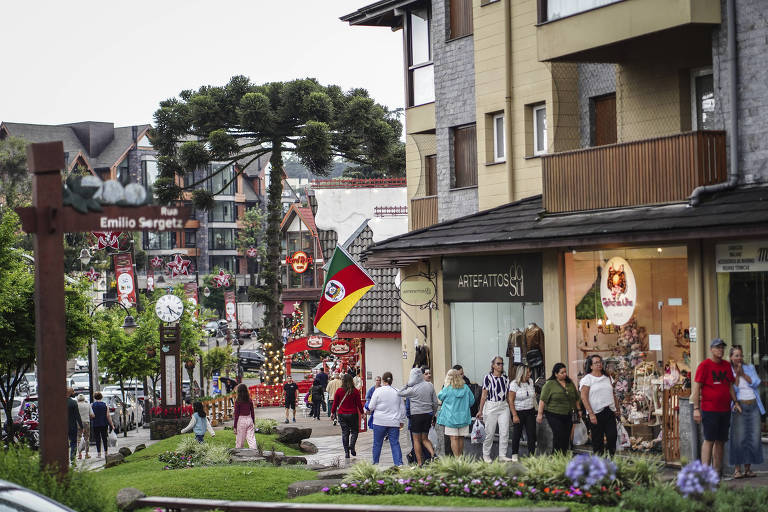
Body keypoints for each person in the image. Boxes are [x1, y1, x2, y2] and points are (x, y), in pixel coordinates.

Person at [691, 338, 741, 474]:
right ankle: (705, 473)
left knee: (721, 441)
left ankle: (717, 473)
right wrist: (696, 409)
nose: (721, 350)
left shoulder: (726, 365)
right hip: (709, 409)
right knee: (709, 440)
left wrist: (735, 402)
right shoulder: (704, 365)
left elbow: (730, 386)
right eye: (718, 347)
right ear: (711, 349)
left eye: (722, 347)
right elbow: (696, 389)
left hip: (725, 410)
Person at [728, 345, 761, 478]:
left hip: (753, 404)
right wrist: (737, 375)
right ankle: (737, 470)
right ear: (731, 357)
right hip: (739, 404)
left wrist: (743, 374)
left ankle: (748, 469)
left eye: (740, 355)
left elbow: (756, 382)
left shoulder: (750, 367)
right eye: (736, 355)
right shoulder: (729, 370)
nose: (739, 358)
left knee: (752, 437)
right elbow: (733, 390)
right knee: (739, 438)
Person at [579, 355, 620, 456]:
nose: (599, 364)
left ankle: (612, 459)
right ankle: (598, 463)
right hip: (596, 413)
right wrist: (591, 414)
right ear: (591, 366)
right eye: (596, 363)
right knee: (598, 440)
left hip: (609, 410)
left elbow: (612, 393)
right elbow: (584, 397)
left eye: (600, 362)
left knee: (612, 436)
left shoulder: (607, 377)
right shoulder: (587, 379)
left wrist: (617, 409)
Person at [537, 363, 581, 454]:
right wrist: (540, 414)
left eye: (565, 372)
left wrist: (579, 410)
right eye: (562, 373)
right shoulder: (550, 384)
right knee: (559, 434)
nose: (565, 374)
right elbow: (542, 400)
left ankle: (563, 456)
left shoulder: (570, 383)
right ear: (556, 374)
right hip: (554, 414)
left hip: (568, 414)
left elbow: (576, 398)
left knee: (566, 436)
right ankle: (556, 456)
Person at [399, 367, 439, 466]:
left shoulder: (412, 389)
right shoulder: (430, 385)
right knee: (425, 438)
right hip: (428, 414)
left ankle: (420, 463)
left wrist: (407, 384)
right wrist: (433, 414)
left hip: (416, 416)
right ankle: (433, 455)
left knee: (416, 440)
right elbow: (435, 402)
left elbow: (399, 393)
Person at [476, 356, 511, 462]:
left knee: (504, 431)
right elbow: (483, 395)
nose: (500, 365)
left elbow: (508, 395)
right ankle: (486, 454)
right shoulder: (488, 377)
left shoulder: (506, 378)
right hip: (491, 405)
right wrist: (480, 410)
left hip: (503, 406)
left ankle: (502, 455)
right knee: (489, 432)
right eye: (498, 363)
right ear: (493, 365)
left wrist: (513, 410)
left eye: (502, 364)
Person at [368, 371, 406, 466]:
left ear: (383, 380)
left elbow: (371, 406)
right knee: (395, 443)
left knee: (377, 443)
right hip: (394, 422)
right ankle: (399, 464)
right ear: (391, 381)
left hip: (379, 421)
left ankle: (375, 462)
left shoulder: (378, 391)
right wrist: (401, 421)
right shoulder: (397, 392)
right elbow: (402, 408)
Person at [437, 369, 474, 457]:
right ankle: (460, 458)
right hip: (464, 417)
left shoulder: (447, 388)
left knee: (453, 438)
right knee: (461, 438)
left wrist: (446, 385)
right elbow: (472, 401)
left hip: (450, 417)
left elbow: (440, 397)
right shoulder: (466, 388)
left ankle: (456, 459)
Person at [331, 374, 365, 459]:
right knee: (354, 431)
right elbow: (359, 404)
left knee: (345, 433)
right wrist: (362, 413)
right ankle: (352, 446)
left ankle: (346, 452)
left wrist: (332, 413)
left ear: (343, 381)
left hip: (342, 414)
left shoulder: (339, 391)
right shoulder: (355, 391)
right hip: (353, 414)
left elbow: (335, 403)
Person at [509, 365, 537, 461]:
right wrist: (514, 415)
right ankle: (514, 454)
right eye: (528, 372)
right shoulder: (514, 384)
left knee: (531, 434)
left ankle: (532, 455)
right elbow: (511, 400)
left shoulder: (531, 382)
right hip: (519, 412)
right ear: (522, 373)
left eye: (530, 372)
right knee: (517, 434)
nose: (530, 374)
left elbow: (532, 395)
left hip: (530, 411)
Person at [90, 391, 115, 458]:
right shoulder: (105, 405)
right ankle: (106, 452)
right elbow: (108, 415)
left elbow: (91, 415)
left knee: (97, 438)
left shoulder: (92, 405)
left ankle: (99, 454)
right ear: (101, 397)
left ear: (94, 397)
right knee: (104, 438)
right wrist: (112, 424)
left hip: (95, 424)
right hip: (104, 423)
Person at [233, 383, 257, 449]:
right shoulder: (249, 400)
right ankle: (254, 452)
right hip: (249, 419)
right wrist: (253, 422)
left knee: (240, 440)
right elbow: (252, 412)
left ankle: (239, 454)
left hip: (241, 421)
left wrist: (235, 426)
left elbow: (236, 415)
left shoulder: (237, 401)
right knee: (251, 438)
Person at [66, 387, 83, 464]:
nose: (74, 393)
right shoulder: (73, 403)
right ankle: (72, 459)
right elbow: (77, 416)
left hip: (62, 427)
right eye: (73, 392)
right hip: (72, 426)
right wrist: (81, 426)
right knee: (73, 443)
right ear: (70, 393)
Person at [76, 394, 94, 460]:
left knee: (78, 437)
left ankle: (79, 454)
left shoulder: (76, 405)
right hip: (86, 422)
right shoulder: (87, 404)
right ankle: (86, 454)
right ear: (84, 398)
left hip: (78, 422)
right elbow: (92, 415)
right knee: (87, 438)